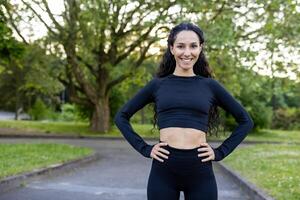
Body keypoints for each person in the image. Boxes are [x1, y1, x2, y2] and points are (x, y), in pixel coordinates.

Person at [114, 22, 254, 200]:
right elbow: (121, 116)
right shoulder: (158, 85)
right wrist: (145, 149)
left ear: (200, 48)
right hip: (163, 171)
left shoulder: (210, 86)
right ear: (171, 48)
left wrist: (220, 152)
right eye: (181, 46)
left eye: (193, 46)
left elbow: (245, 120)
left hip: (200, 172)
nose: (187, 53)